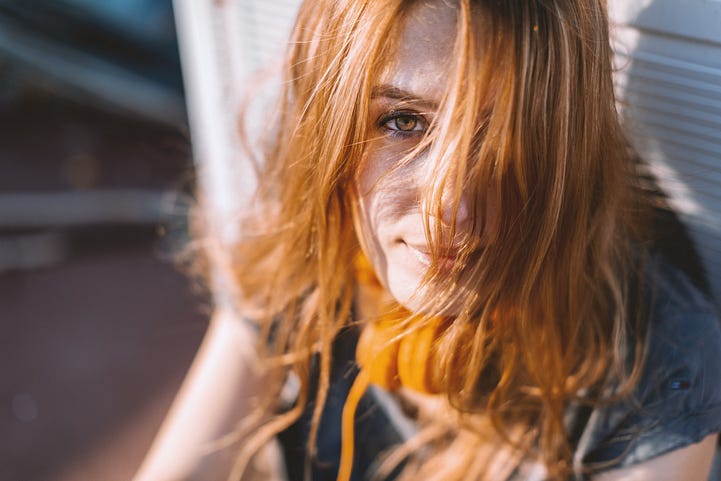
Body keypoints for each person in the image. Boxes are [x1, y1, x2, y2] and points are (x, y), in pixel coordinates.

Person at [134, 1, 721, 480]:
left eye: (505, 138)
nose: (453, 207)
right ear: (332, 128)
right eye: (402, 122)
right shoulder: (303, 255)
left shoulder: (660, 369)